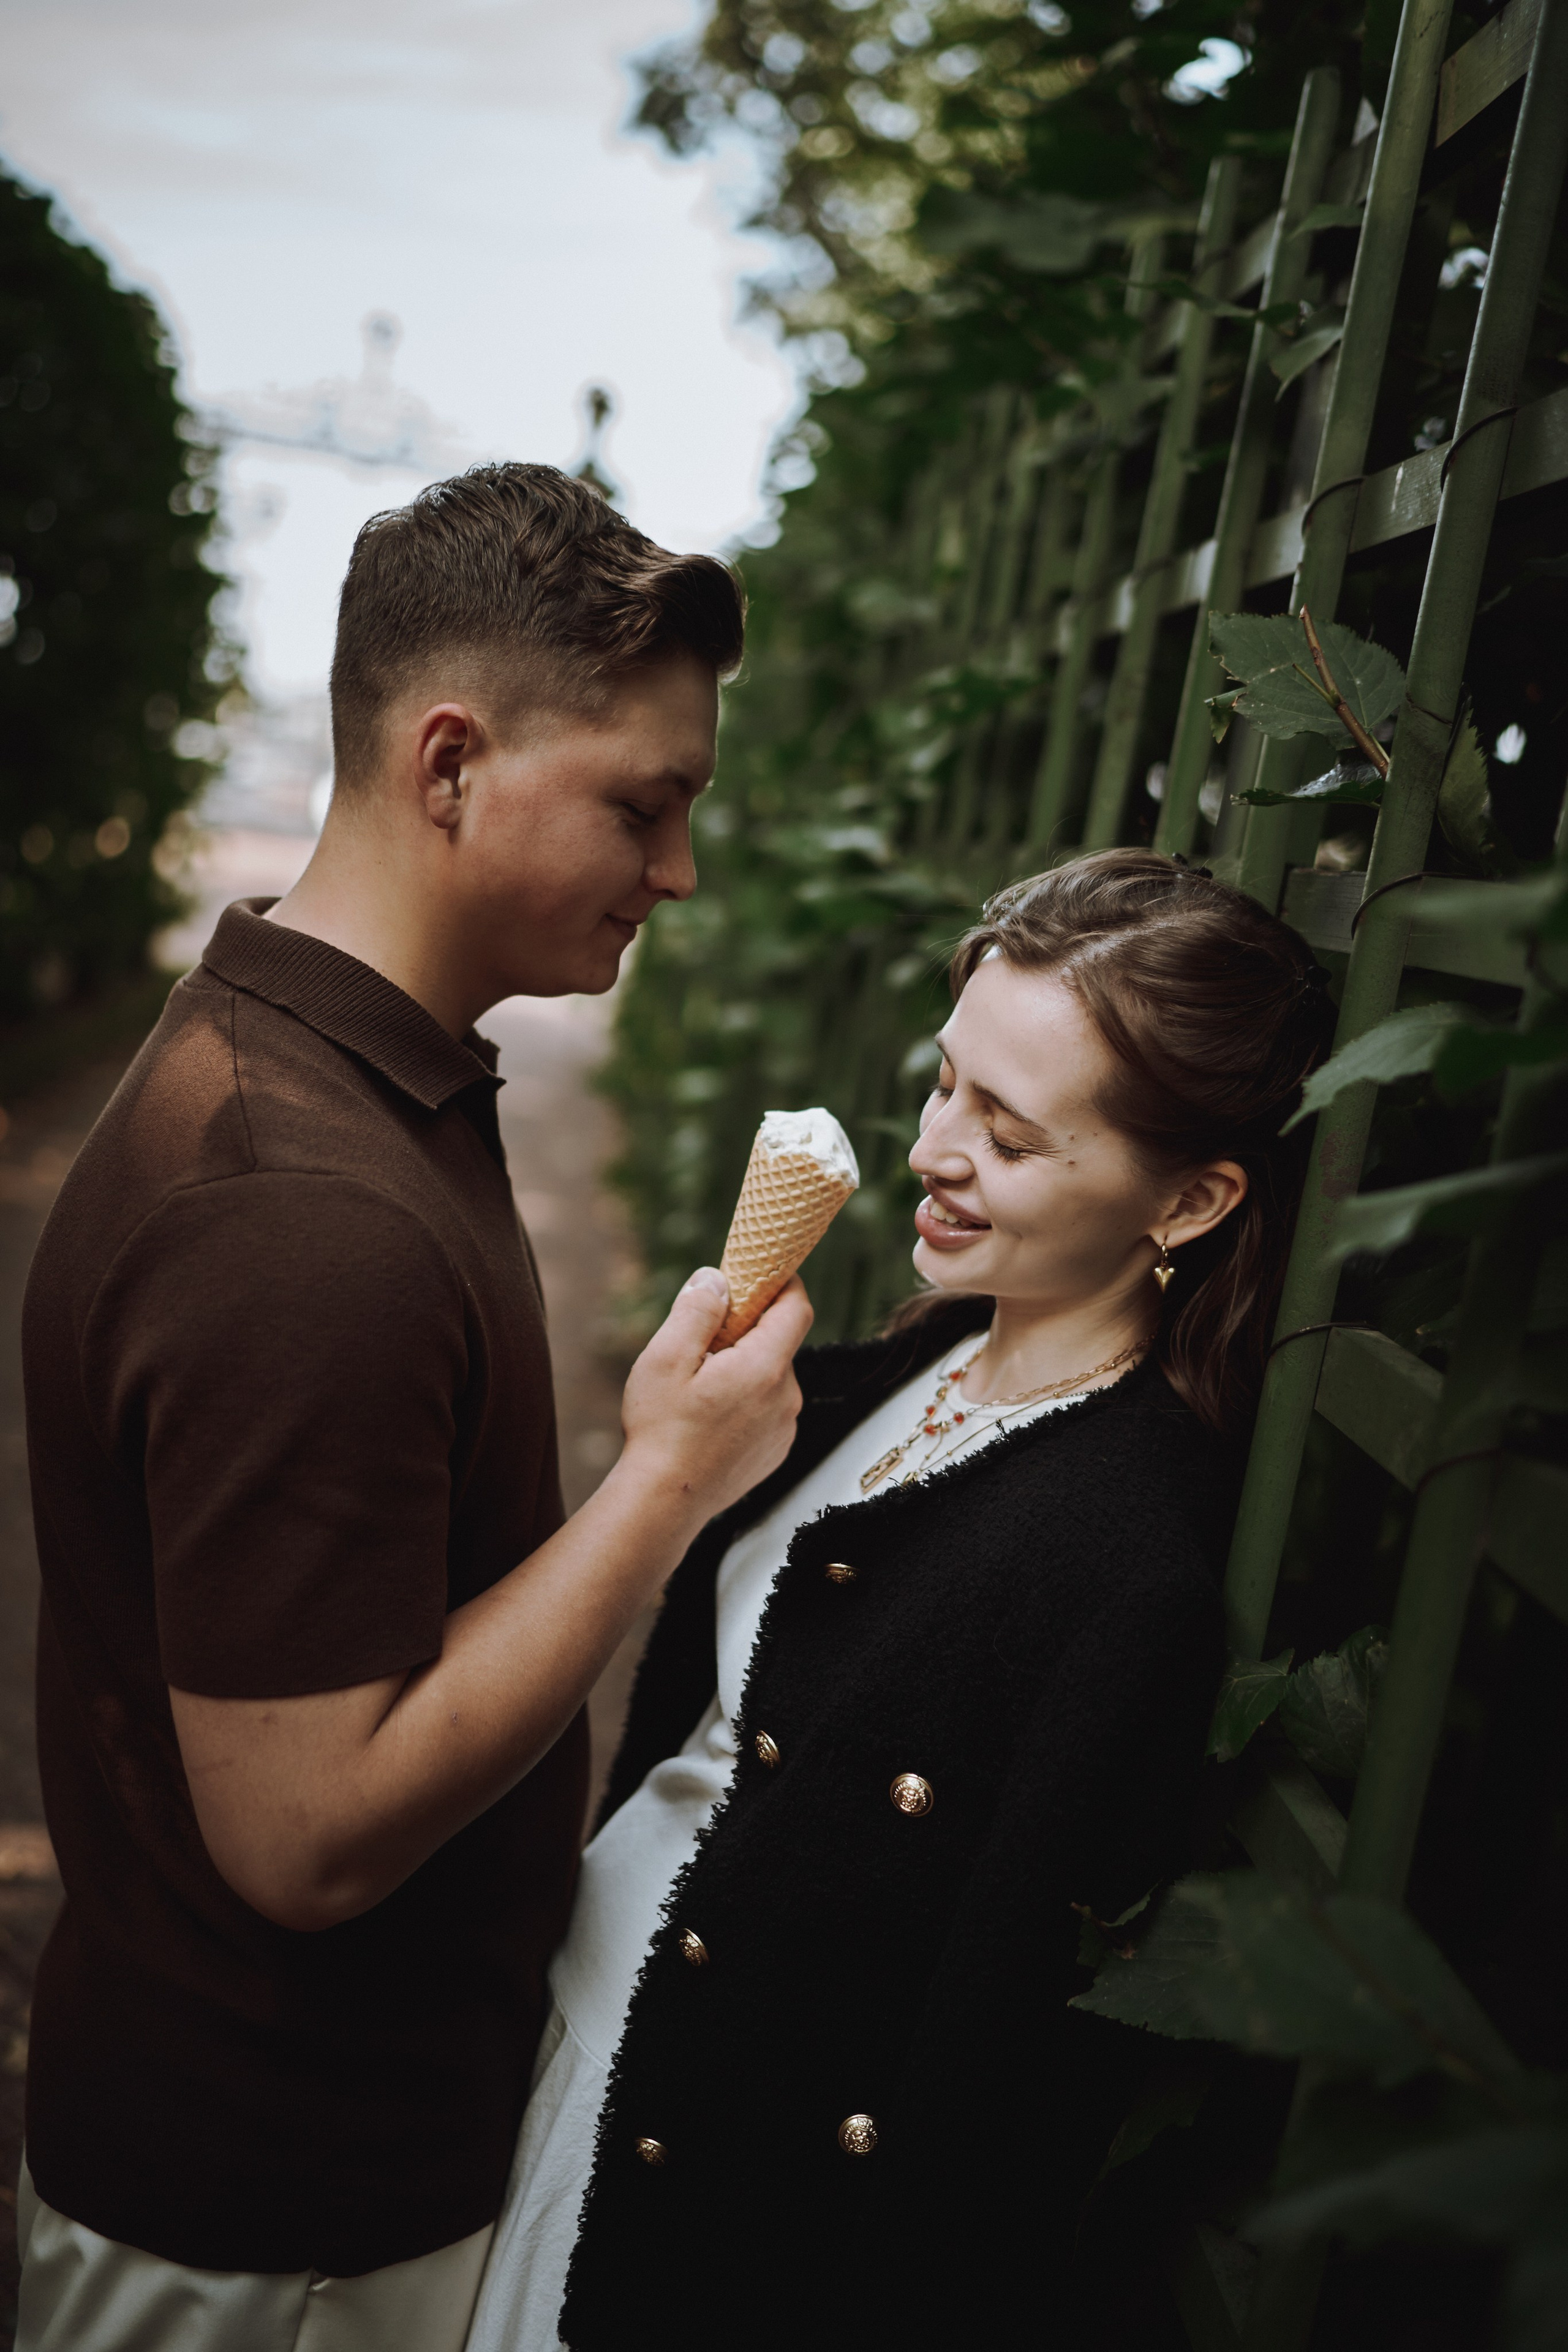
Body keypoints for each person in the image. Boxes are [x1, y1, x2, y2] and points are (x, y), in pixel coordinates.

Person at [15, 464, 812, 2352]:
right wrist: (666, 1482)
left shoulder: (323, 1078)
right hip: (271, 2230)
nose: (679, 873)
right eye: (645, 805)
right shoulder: (302, 1219)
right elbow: (309, 1836)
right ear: (448, 764)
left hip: (269, 2182)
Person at [466, 847, 1336, 2351]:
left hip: (700, 2203)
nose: (934, 1148)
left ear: (1188, 1199)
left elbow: (980, 2090)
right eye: (946, 1086)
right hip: (565, 2061)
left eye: (1005, 1132)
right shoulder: (874, 1375)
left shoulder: (1124, 1567)